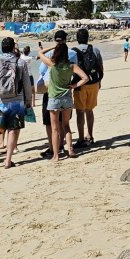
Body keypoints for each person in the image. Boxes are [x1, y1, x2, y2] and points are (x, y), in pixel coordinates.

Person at [33, 31, 89, 161]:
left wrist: (54, 46)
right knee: (66, 125)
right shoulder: (71, 65)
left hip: (53, 97)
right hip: (67, 96)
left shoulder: (52, 64)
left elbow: (40, 53)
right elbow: (85, 78)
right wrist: (74, 86)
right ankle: (70, 150)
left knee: (54, 128)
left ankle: (56, 155)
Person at [0, 36, 34, 170]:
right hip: (16, 100)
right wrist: (28, 100)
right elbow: (27, 84)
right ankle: (8, 161)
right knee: (13, 130)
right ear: (13, 48)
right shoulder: (21, 62)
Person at [70, 28, 104, 149]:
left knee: (80, 112)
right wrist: (99, 82)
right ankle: (90, 135)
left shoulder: (73, 52)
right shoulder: (95, 50)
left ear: (77, 38)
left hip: (80, 85)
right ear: (88, 37)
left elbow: (70, 69)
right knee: (89, 110)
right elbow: (100, 67)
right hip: (94, 83)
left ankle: (80, 138)